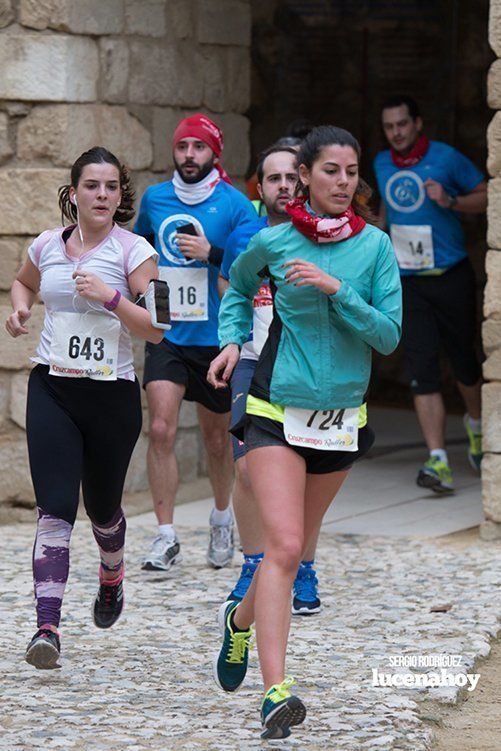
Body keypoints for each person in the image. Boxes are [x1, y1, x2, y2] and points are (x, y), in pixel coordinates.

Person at [208, 125, 402, 739]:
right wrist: (233, 340)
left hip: (341, 422)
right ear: (305, 177)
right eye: (330, 172)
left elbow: (389, 336)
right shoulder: (272, 239)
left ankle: (239, 621)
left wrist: (337, 289)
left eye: (351, 172)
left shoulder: (374, 249)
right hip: (274, 409)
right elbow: (237, 290)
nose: (342, 182)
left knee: (292, 550)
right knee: (284, 548)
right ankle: (275, 692)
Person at [5, 147, 163, 669]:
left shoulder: (133, 250)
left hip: (110, 395)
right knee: (54, 507)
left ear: (121, 196)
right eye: (92, 185)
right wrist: (21, 308)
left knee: (102, 508)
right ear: (74, 194)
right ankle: (46, 627)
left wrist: (111, 298)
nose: (102, 195)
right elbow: (24, 281)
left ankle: (112, 575)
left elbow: (157, 326)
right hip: (52, 386)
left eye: (112, 187)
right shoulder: (49, 244)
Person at [134, 114, 257, 572]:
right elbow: (139, 247)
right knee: (162, 428)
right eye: (183, 146)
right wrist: (139, 289)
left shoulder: (234, 204)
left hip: (216, 338)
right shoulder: (155, 198)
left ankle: (221, 517)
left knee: (216, 439)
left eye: (199, 148)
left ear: (214, 153)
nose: (189, 155)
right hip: (167, 333)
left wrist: (212, 254)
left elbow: (250, 266)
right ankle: (165, 536)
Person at [220, 144, 323, 615]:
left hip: (303, 369)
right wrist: (230, 340)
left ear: (302, 183)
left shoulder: (322, 239)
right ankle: (252, 560)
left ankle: (303, 566)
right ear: (258, 189)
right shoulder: (249, 242)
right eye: (272, 178)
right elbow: (233, 293)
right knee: (244, 467)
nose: (283, 185)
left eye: (289, 177)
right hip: (253, 362)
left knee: (304, 474)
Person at [374, 95, 486, 493]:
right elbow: (386, 215)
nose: (396, 133)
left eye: (402, 124)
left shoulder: (446, 158)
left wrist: (451, 200)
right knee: (420, 367)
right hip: (408, 281)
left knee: (464, 363)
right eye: (389, 127)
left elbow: (487, 195)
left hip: (450, 275)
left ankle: (475, 425)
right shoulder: (381, 163)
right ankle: (437, 460)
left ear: (417, 123)